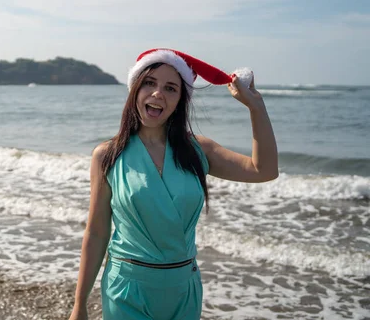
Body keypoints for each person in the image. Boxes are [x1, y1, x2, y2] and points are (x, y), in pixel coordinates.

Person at [69, 48, 278, 320]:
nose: (158, 94)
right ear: (134, 89)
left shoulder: (198, 150)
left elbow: (264, 170)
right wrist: (79, 304)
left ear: (180, 100)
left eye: (170, 88)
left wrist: (256, 107)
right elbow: (96, 233)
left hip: (184, 291)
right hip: (126, 290)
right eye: (149, 83)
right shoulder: (108, 155)